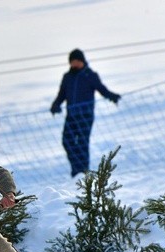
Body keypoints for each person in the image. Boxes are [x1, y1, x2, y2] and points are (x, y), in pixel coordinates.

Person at [50, 48, 121, 177]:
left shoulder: (90, 75)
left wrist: (112, 96)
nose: (75, 63)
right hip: (71, 115)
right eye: (72, 61)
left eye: (77, 61)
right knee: (67, 141)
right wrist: (55, 105)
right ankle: (76, 169)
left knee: (82, 142)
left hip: (85, 116)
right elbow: (61, 94)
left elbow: (102, 89)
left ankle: (83, 170)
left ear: (82, 61)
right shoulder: (67, 77)